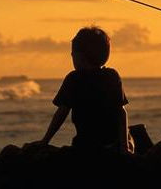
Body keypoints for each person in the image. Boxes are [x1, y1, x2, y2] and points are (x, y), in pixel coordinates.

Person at [36, 26, 132, 154]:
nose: (71, 57)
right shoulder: (111, 76)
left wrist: (45, 141)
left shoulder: (73, 79)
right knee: (134, 134)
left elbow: (62, 112)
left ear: (80, 57)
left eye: (72, 54)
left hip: (84, 145)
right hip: (112, 144)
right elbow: (121, 111)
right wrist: (124, 146)